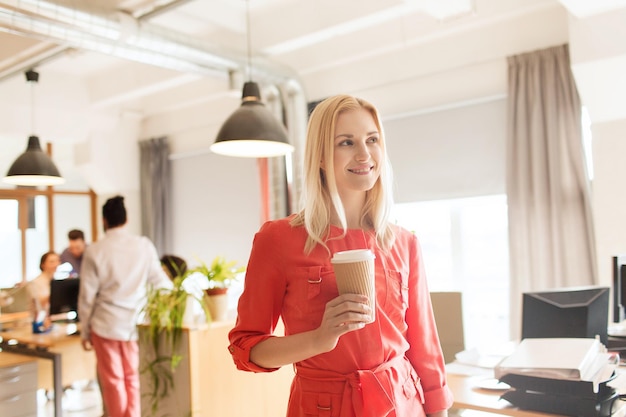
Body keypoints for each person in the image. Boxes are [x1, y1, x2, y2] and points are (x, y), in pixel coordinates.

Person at [228, 95, 453, 417]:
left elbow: (425, 346)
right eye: (346, 142)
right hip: (323, 407)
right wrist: (320, 338)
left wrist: (438, 411)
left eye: (372, 140)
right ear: (320, 156)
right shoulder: (278, 240)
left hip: (403, 403)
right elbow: (245, 349)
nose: (364, 154)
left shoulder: (404, 242)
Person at [78, 195, 171, 417]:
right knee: (132, 377)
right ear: (126, 219)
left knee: (113, 380)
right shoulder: (143, 245)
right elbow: (161, 282)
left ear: (104, 220)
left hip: (105, 324)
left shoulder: (95, 250)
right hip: (134, 323)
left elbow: (86, 297)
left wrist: (84, 330)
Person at [26, 250, 60, 331]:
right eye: (52, 262)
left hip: (55, 321)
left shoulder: (57, 282)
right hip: (39, 323)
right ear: (43, 264)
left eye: (57, 261)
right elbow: (38, 306)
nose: (55, 264)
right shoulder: (34, 283)